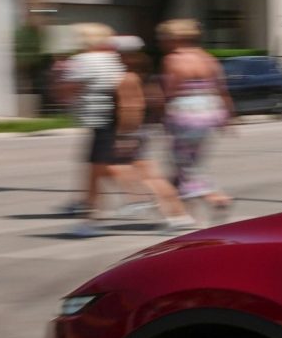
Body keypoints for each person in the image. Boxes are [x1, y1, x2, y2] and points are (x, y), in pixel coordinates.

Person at [71, 42, 192, 237]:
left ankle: (155, 207)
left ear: (126, 57)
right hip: (137, 131)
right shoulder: (143, 77)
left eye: (118, 55)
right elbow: (155, 102)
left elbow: (130, 107)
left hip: (128, 132)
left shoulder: (126, 77)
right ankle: (177, 215)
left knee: (144, 175)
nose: (114, 58)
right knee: (143, 174)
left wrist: (125, 136)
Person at [157, 18, 233, 223]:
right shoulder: (207, 58)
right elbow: (222, 89)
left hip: (185, 114)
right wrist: (228, 117)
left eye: (165, 37)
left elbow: (169, 90)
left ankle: (214, 198)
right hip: (210, 111)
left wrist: (162, 116)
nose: (162, 41)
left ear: (176, 38)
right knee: (191, 163)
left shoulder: (173, 59)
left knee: (184, 164)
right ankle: (184, 210)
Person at [60, 25, 126, 220]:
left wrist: (66, 92)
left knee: (100, 164)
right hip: (113, 114)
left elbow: (70, 85)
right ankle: (90, 202)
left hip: (97, 117)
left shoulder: (83, 60)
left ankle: (142, 196)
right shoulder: (114, 59)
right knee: (96, 162)